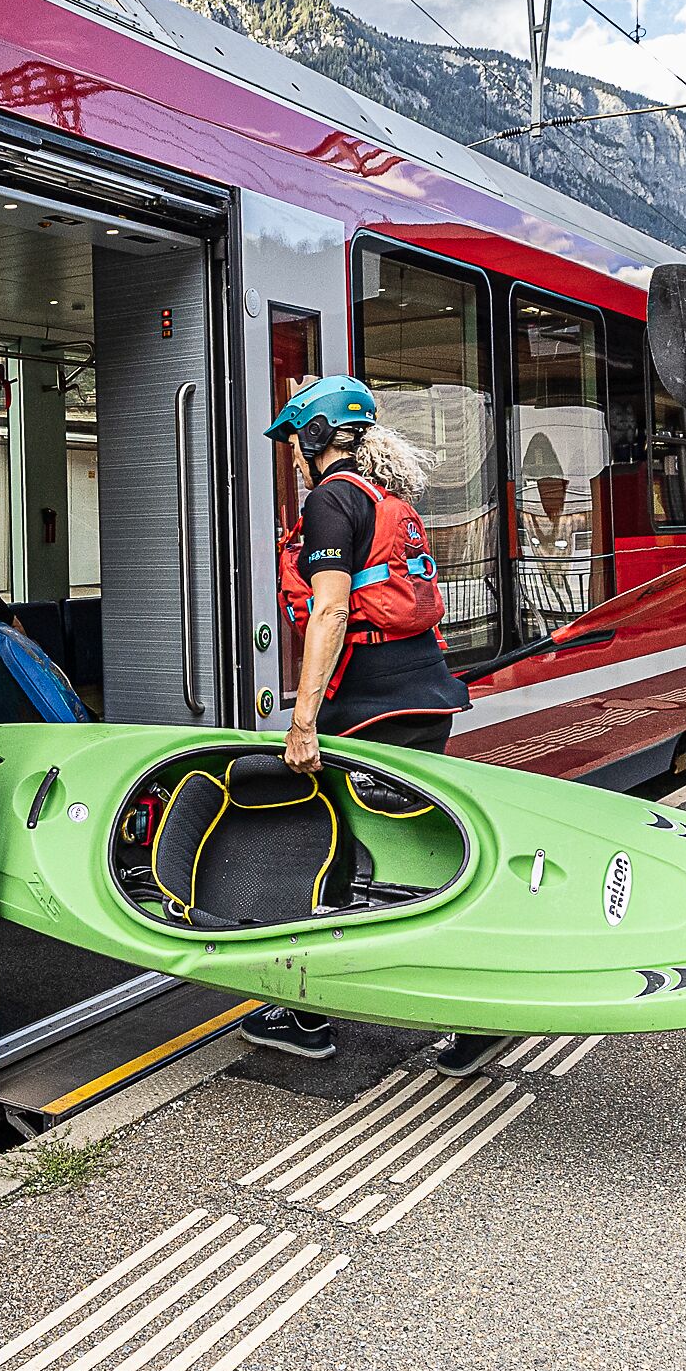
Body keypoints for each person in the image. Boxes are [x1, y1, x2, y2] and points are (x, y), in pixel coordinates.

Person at [242, 373, 477, 1066]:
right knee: (420, 855)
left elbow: (332, 610)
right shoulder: (387, 499)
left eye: (294, 441)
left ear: (317, 438)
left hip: (372, 709)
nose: (291, 456)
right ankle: (471, 1005)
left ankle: (311, 1017)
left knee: (334, 854)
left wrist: (303, 720)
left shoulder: (329, 501)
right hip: (422, 698)